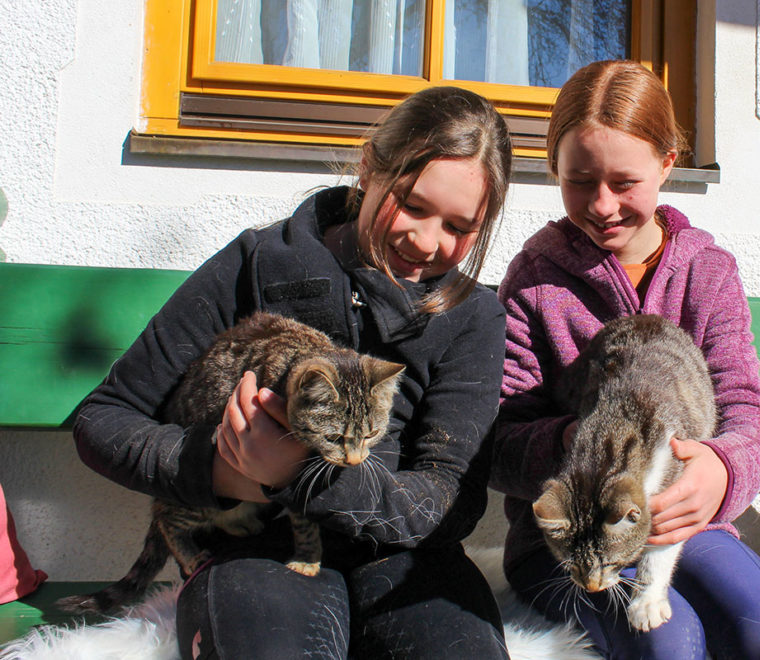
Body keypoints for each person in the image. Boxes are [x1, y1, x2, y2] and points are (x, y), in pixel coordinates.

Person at [72, 86, 513, 660]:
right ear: (368, 165)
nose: (427, 241)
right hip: (258, 548)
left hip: (408, 559)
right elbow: (103, 420)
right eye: (411, 203)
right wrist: (230, 474)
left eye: (460, 226)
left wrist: (296, 473)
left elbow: (449, 498)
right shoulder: (257, 263)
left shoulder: (473, 317)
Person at [490, 60, 760, 659]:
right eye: (580, 181)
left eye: (623, 181)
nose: (603, 204)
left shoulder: (705, 273)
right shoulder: (535, 282)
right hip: (567, 546)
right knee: (667, 643)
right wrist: (589, 449)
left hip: (687, 527)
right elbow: (499, 441)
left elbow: (747, 408)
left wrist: (720, 470)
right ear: (554, 168)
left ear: (668, 162)